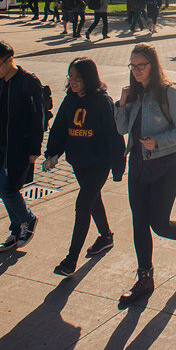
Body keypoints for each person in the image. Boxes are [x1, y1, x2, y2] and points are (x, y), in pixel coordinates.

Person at [114, 43, 176, 307]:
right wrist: (121, 103)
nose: (137, 71)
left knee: (159, 224)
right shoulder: (135, 95)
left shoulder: (169, 92)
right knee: (139, 223)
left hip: (166, 166)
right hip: (139, 166)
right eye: (133, 66)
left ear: (153, 65)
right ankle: (145, 277)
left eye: (142, 65)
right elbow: (120, 129)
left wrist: (159, 141)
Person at [42, 57, 125, 276]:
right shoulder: (70, 100)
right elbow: (59, 128)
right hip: (79, 162)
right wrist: (52, 154)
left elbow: (113, 134)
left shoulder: (102, 101)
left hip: (99, 163)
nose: (74, 81)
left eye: (78, 78)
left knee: (82, 205)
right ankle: (106, 236)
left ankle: (70, 260)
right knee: (93, 200)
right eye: (70, 77)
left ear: (89, 78)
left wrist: (118, 166)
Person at [0, 41, 48, 253]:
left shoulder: (28, 82)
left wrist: (35, 149)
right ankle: (16, 231)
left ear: (10, 60)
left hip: (20, 146)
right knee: (8, 188)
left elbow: (37, 117)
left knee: (6, 189)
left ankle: (27, 219)